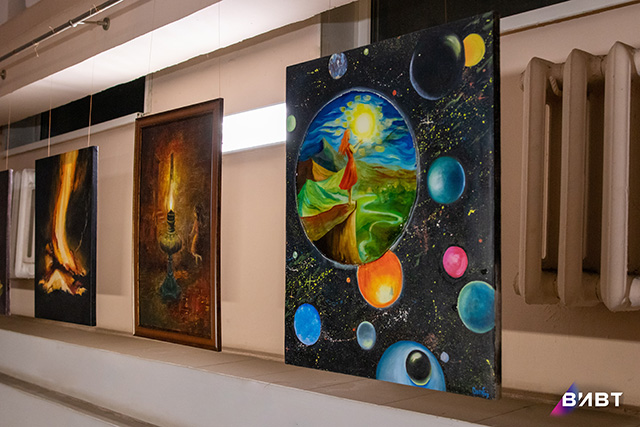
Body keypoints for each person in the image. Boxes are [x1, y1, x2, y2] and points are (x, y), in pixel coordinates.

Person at [338, 129, 358, 204]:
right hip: (351, 163)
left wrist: (358, 142)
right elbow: (354, 151)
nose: (350, 136)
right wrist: (360, 144)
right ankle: (350, 200)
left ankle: (349, 200)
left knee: (350, 183)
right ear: (347, 136)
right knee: (351, 182)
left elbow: (352, 147)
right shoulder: (349, 145)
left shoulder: (346, 145)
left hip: (349, 163)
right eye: (349, 134)